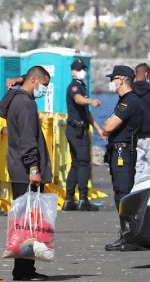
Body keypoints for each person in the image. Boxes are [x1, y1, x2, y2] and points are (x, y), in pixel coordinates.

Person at [0, 66, 52, 281]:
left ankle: (24, 269)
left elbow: (0, 108)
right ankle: (24, 270)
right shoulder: (26, 104)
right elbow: (28, 139)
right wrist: (34, 167)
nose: (44, 89)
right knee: (29, 223)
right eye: (44, 85)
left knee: (23, 221)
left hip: (17, 169)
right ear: (34, 80)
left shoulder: (14, 100)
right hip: (27, 171)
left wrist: (15, 85)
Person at [101, 66, 143, 252]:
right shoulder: (124, 101)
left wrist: (107, 126)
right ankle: (125, 234)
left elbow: (109, 126)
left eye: (114, 79)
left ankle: (131, 237)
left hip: (123, 152)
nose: (112, 82)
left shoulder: (130, 101)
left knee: (124, 194)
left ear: (121, 80)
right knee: (120, 194)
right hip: (118, 151)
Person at [62, 58, 103, 211]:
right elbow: (78, 100)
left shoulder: (81, 86)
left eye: (83, 69)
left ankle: (69, 199)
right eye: (79, 69)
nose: (82, 72)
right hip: (76, 130)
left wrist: (98, 129)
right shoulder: (74, 87)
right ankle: (83, 199)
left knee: (76, 164)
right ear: (73, 72)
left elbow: (86, 114)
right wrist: (90, 101)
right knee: (84, 163)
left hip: (79, 128)